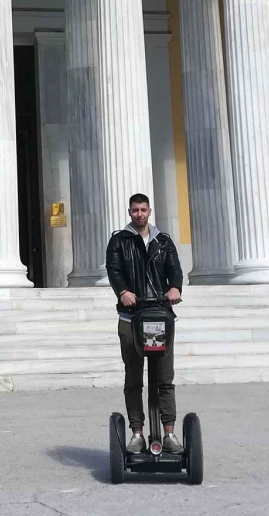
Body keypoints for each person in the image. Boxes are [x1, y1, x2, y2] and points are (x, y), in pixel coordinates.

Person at [105, 192, 183, 455]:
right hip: (131, 317)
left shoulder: (163, 241)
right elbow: (114, 269)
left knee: (164, 379)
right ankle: (137, 433)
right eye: (135, 210)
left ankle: (169, 434)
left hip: (159, 316)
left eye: (143, 209)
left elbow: (174, 269)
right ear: (130, 212)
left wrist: (175, 287)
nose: (139, 214)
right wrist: (122, 291)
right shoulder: (120, 241)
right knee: (133, 378)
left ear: (150, 211)